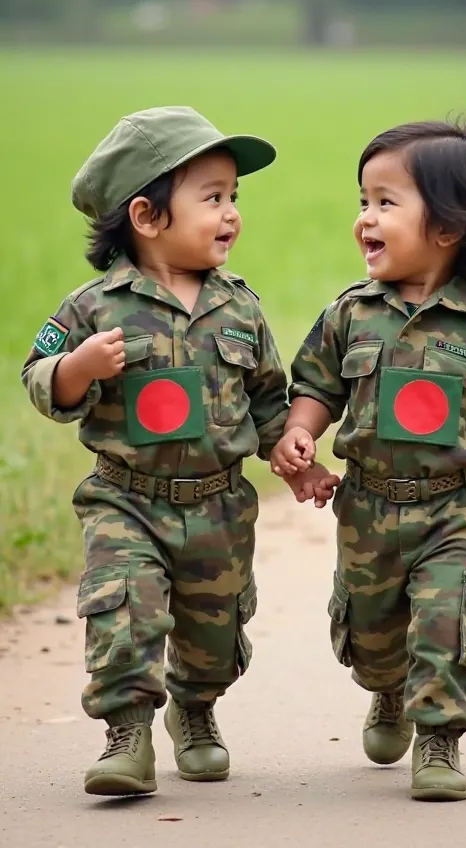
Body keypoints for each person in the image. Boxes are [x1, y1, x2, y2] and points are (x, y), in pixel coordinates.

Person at [271, 119, 466, 801]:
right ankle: (389, 691)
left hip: (453, 507)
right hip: (369, 505)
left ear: (449, 228)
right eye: (363, 201)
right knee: (374, 636)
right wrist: (300, 433)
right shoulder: (349, 314)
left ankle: (439, 739)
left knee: (449, 618)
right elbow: (316, 385)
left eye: (385, 202)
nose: (364, 219)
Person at [21, 106, 305, 798]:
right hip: (127, 496)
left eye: (234, 196)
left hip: (218, 505)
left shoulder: (239, 308)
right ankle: (126, 733)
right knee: (124, 609)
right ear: (147, 216)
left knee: (214, 634)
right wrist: (79, 368)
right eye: (213, 197)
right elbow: (38, 375)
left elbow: (268, 396)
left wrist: (293, 454)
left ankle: (196, 710)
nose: (231, 213)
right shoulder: (93, 308)